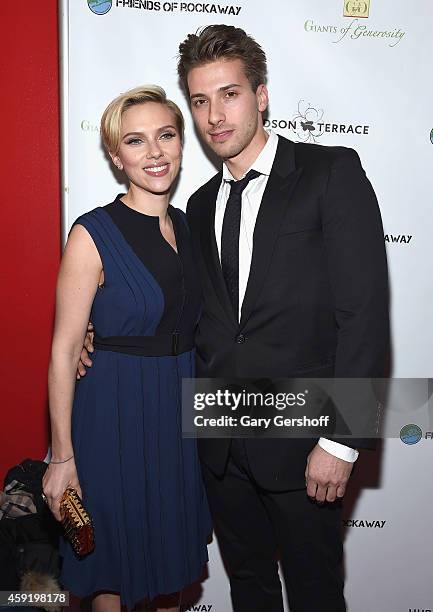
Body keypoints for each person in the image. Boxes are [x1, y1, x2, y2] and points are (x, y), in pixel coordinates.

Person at [79, 25, 389, 612]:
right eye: (200, 100)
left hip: (305, 442)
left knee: (316, 592)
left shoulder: (329, 173)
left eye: (229, 94)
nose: (214, 115)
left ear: (261, 94)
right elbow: (185, 310)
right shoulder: (197, 205)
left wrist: (342, 442)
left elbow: (365, 316)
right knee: (248, 588)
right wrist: (101, 334)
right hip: (219, 442)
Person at [42, 85, 211, 612]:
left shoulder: (190, 226)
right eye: (135, 142)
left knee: (171, 566)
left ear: (181, 143)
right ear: (116, 156)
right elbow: (65, 351)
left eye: (165, 135)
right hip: (113, 416)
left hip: (178, 417)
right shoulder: (92, 234)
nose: (154, 153)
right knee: (112, 570)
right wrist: (62, 456)